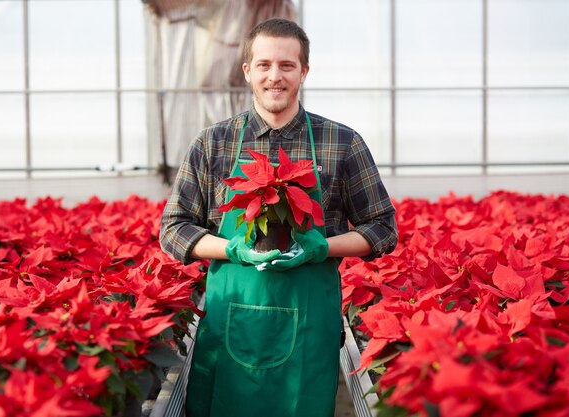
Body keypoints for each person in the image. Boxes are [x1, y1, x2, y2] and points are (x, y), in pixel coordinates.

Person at [159, 17, 398, 417]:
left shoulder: (341, 143)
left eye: (287, 66)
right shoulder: (213, 143)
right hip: (230, 326)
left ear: (303, 71)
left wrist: (322, 248)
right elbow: (174, 228)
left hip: (309, 331)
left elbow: (383, 228)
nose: (275, 76)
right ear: (247, 71)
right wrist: (234, 249)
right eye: (265, 65)